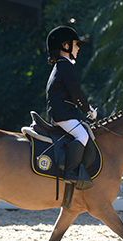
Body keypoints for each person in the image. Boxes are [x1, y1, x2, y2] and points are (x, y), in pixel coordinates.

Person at [46, 26, 97, 189]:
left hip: (62, 112)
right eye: (76, 45)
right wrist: (88, 110)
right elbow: (76, 92)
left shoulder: (61, 66)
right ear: (66, 46)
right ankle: (71, 172)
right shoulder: (66, 66)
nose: (78, 48)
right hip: (63, 114)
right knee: (82, 136)